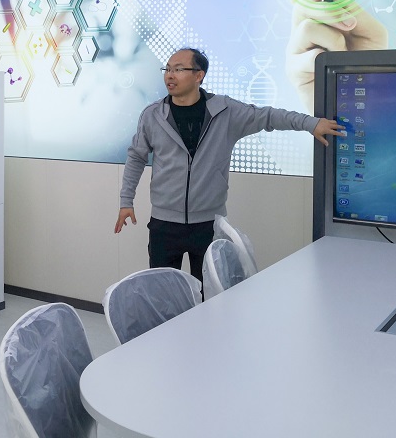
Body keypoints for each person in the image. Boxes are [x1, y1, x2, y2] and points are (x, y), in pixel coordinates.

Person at [114, 47, 342, 288]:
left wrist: (311, 124)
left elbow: (268, 116)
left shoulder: (225, 112)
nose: (170, 75)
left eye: (178, 69)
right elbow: (136, 157)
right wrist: (126, 201)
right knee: (164, 291)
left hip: (208, 225)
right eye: (167, 69)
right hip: (164, 224)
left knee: (210, 294)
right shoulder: (153, 115)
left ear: (199, 75)